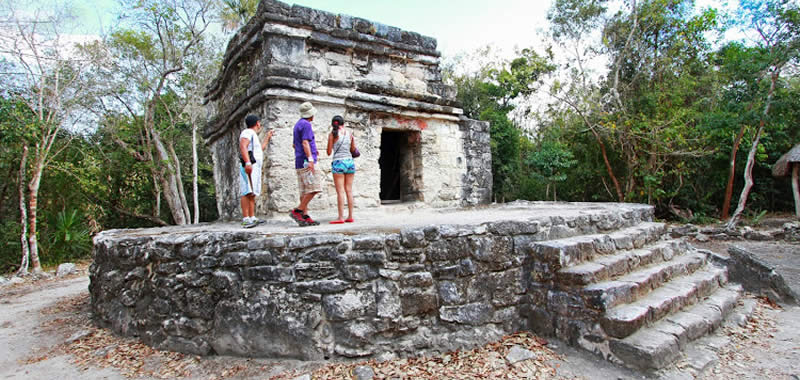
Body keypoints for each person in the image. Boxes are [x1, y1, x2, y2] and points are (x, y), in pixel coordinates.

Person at [239, 114, 274, 228]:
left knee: (252, 192)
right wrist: (248, 163)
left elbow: (260, 149)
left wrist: (267, 138)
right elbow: (243, 146)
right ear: (257, 123)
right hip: (249, 165)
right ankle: (245, 218)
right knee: (246, 191)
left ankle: (252, 217)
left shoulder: (253, 135)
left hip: (255, 166)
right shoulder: (247, 133)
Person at [290, 102, 322, 226]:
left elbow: (295, 144)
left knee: (304, 190)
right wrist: (310, 158)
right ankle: (298, 210)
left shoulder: (297, 125)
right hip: (306, 161)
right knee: (314, 187)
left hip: (299, 160)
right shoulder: (307, 125)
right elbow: (305, 142)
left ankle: (305, 215)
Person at [326, 115, 356, 224]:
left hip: (338, 162)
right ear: (343, 123)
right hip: (349, 162)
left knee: (340, 191)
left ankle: (341, 217)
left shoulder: (332, 135)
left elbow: (329, 152)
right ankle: (350, 216)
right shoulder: (350, 134)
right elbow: (353, 149)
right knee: (349, 190)